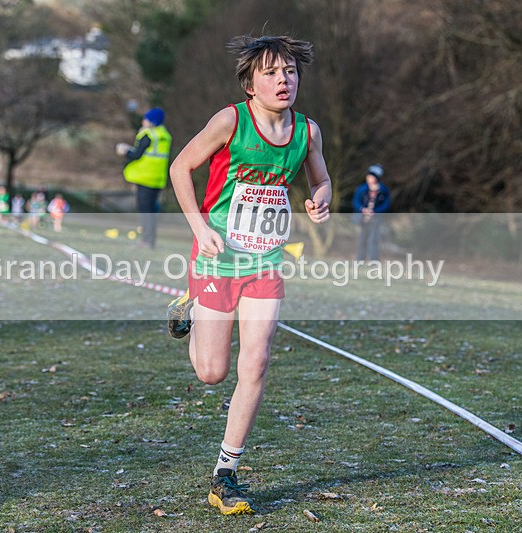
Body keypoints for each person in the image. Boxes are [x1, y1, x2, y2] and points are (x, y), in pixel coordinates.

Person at [166, 35, 331, 515]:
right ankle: (191, 306)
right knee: (212, 372)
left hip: (265, 261)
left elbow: (321, 179)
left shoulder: (308, 132)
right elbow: (180, 168)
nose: (283, 80)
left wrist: (320, 199)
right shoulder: (230, 122)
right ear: (250, 84)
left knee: (255, 362)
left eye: (290, 72)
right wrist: (199, 227)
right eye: (271, 73)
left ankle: (226, 473)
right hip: (217, 257)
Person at [115, 107, 172, 248]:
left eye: (146, 119)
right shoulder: (164, 135)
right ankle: (150, 241)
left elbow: (136, 155)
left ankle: (145, 241)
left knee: (144, 211)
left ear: (152, 122)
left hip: (144, 178)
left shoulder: (148, 135)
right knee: (151, 211)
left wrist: (124, 151)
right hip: (158, 179)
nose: (143, 121)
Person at [352, 164, 391, 261]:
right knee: (362, 239)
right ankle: (360, 260)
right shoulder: (362, 189)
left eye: (372, 177)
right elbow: (355, 201)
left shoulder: (383, 190)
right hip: (362, 218)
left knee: (374, 239)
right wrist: (362, 209)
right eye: (368, 176)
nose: (369, 178)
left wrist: (375, 211)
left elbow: (386, 204)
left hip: (376, 218)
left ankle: (374, 260)